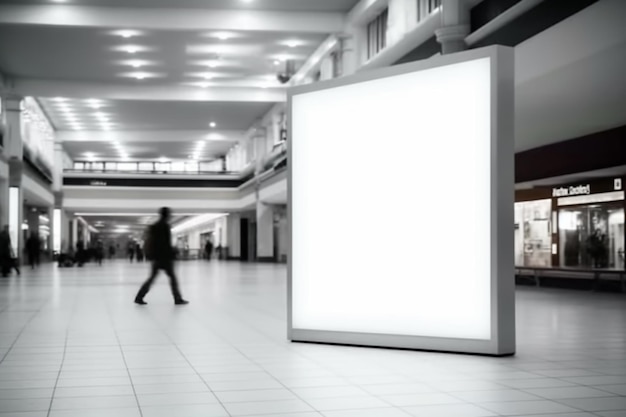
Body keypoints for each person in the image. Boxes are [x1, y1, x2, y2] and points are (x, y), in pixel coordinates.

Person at [135, 207, 188, 305]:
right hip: (164, 258)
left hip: (156, 257)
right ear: (167, 215)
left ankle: (139, 297)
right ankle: (177, 298)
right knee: (172, 278)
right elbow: (165, 243)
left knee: (152, 278)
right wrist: (172, 253)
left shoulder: (155, 226)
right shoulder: (165, 226)